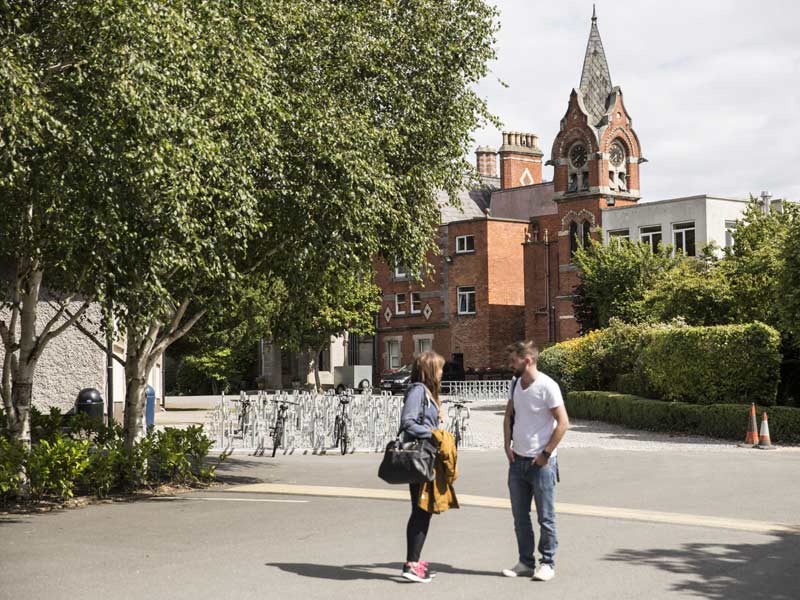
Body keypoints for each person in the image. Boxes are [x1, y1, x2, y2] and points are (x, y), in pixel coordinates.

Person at [502, 340, 569, 582]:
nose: (510, 365)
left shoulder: (547, 386)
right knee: (520, 518)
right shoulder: (515, 384)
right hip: (517, 461)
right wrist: (506, 444)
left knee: (545, 518)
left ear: (527, 360)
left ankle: (547, 563)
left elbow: (563, 423)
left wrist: (546, 454)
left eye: (513, 361)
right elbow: (509, 415)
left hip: (541, 465)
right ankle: (525, 563)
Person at [398, 350, 446, 584]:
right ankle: (411, 564)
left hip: (427, 456)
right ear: (430, 370)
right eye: (439, 368)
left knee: (423, 510)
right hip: (420, 457)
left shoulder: (426, 392)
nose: (442, 372)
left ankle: (414, 561)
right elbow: (407, 422)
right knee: (421, 509)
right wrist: (432, 434)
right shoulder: (418, 390)